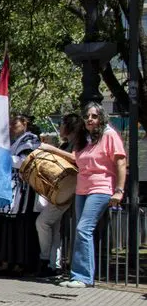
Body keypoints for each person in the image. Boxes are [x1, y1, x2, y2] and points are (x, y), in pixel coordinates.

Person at [41, 103, 126, 288]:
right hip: (82, 189)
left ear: (101, 118)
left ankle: (83, 277)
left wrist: (119, 191)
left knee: (83, 229)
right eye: (87, 116)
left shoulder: (109, 134)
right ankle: (77, 275)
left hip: (102, 188)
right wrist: (51, 149)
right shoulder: (85, 139)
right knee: (80, 231)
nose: (90, 119)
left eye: (94, 116)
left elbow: (121, 162)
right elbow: (74, 159)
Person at [0, 114, 41, 276]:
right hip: (6, 187)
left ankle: (19, 262)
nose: (11, 126)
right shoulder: (11, 141)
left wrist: (2, 158)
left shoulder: (30, 140)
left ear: (25, 123)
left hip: (21, 190)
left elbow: (25, 162)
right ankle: (5, 261)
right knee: (4, 223)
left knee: (19, 225)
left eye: (14, 123)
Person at [34, 113, 81, 278]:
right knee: (54, 228)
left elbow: (76, 159)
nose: (59, 128)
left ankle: (45, 259)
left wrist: (50, 149)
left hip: (68, 190)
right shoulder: (66, 144)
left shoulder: (78, 143)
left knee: (42, 222)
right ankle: (54, 265)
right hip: (60, 190)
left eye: (61, 124)